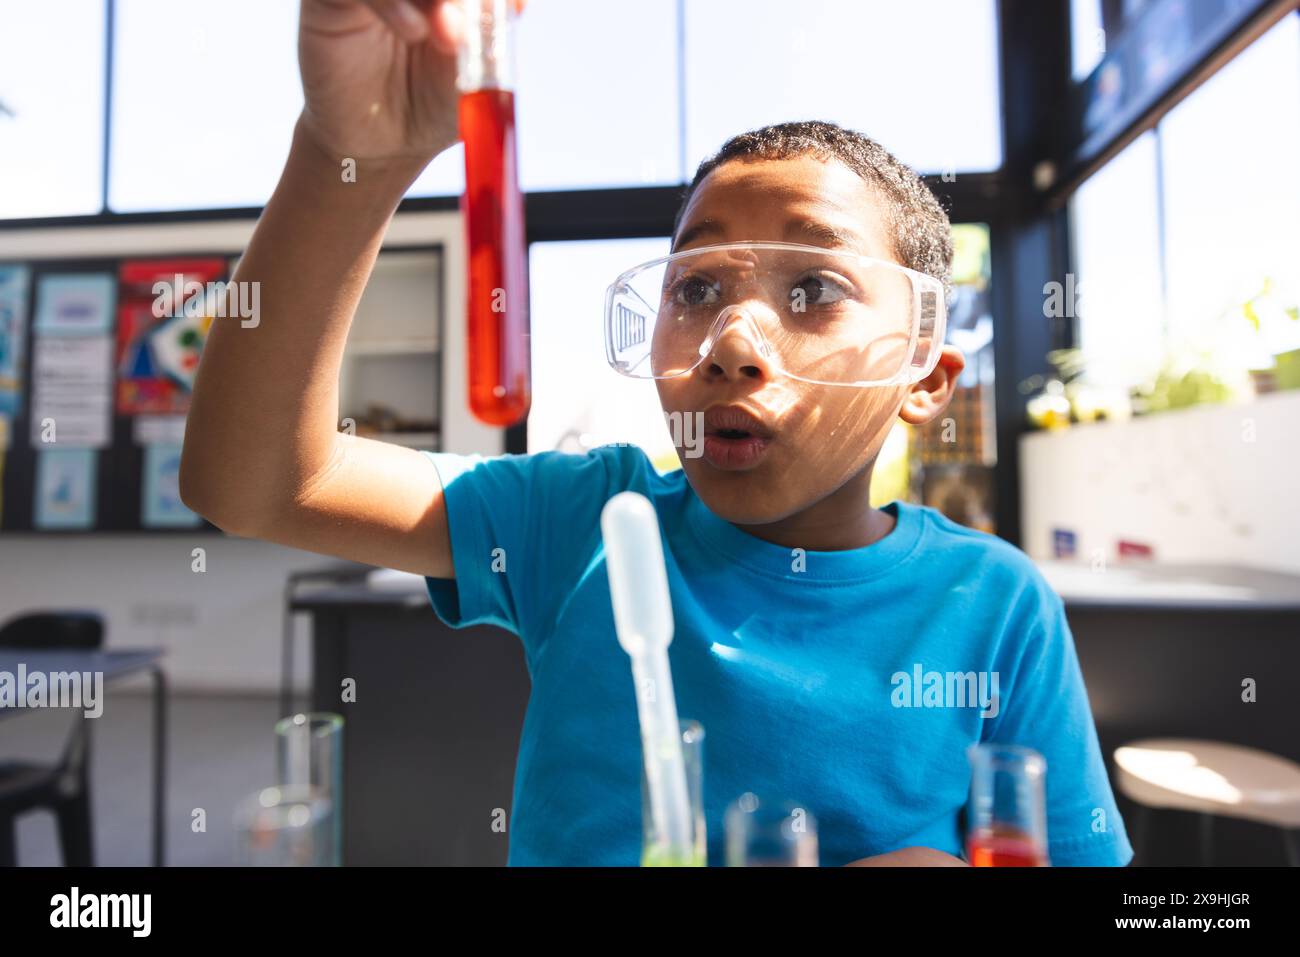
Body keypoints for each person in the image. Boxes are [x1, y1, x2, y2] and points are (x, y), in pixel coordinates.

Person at [180, 0, 1132, 867]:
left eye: (812, 289)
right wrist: (353, 155)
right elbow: (253, 481)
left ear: (924, 375)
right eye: (698, 287)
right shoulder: (589, 522)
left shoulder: (993, 605)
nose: (730, 343)